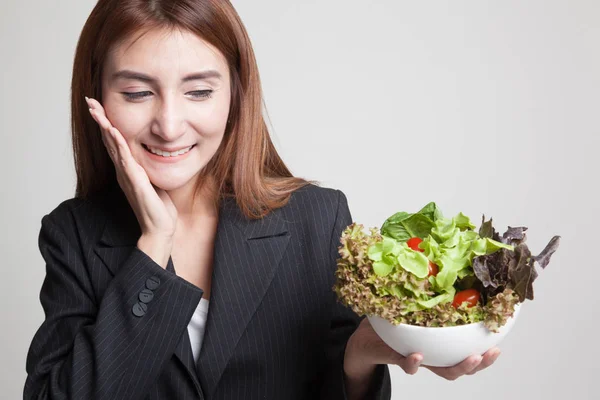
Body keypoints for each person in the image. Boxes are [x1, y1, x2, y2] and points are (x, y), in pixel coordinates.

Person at [23, 1, 501, 399]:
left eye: (199, 91)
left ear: (235, 94)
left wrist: (358, 363)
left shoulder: (319, 220)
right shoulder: (74, 235)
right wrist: (154, 244)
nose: (168, 125)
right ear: (97, 96)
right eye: (137, 92)